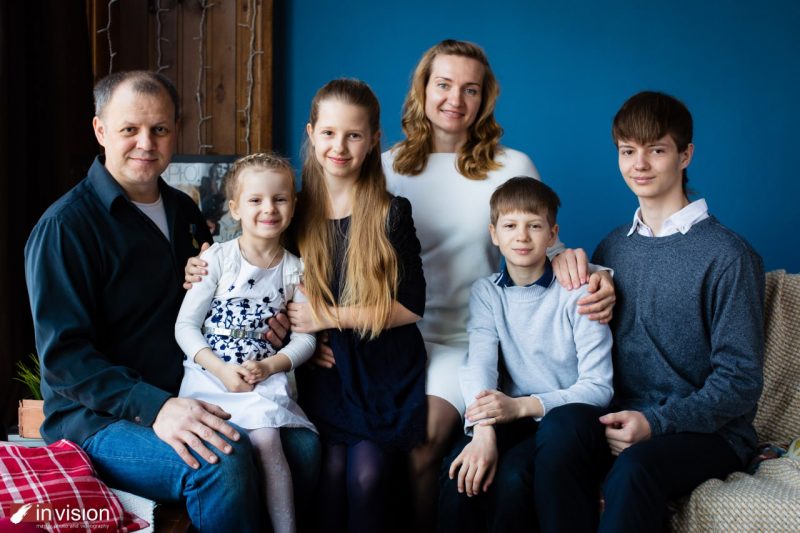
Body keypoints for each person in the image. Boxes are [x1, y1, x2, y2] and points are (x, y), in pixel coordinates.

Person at [23, 71, 315, 532]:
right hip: (100, 419)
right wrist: (156, 406)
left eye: (159, 129)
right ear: (100, 130)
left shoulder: (184, 211)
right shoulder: (65, 229)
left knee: (303, 448)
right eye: (130, 129)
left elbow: (215, 304)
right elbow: (64, 359)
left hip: (195, 387)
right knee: (221, 460)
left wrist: (271, 327)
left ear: (174, 131)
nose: (146, 143)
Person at [378, 39, 617, 528]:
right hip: (394, 333)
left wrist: (598, 278)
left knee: (426, 443)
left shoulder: (511, 166)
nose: (455, 100)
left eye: (470, 89)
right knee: (373, 451)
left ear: (484, 99)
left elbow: (544, 249)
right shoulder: (386, 168)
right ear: (422, 89)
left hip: (467, 339)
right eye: (443, 85)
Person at [537, 91, 765, 532]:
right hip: (621, 413)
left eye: (656, 150)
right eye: (627, 151)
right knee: (560, 428)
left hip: (710, 433)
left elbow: (740, 380)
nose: (639, 164)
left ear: (685, 155)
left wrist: (655, 423)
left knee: (634, 469)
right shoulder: (612, 248)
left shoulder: (729, 256)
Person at [286, 78, 427, 533]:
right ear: (311, 134)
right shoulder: (290, 212)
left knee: (366, 478)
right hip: (325, 370)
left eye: (353, 135)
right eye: (329, 133)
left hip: (383, 369)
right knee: (327, 476)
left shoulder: (391, 212)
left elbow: (412, 306)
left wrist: (327, 318)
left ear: (373, 141)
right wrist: (202, 264)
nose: (339, 147)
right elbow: (256, 281)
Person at [438, 177, 614, 533]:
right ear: (493, 234)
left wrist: (520, 406)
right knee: (459, 473)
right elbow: (480, 362)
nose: (521, 237)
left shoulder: (579, 293)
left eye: (534, 226)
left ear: (552, 235)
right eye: (510, 226)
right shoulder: (487, 292)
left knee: (514, 478)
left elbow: (599, 388)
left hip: (561, 420)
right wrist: (483, 431)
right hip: (508, 416)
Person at [175, 153, 317, 533]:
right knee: (228, 450)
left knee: (268, 439)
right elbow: (185, 326)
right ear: (235, 208)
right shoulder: (216, 259)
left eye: (279, 199)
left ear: (293, 205)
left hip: (260, 380)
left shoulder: (296, 269)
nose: (268, 208)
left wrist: (271, 366)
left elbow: (306, 337)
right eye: (255, 200)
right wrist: (220, 369)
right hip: (210, 377)